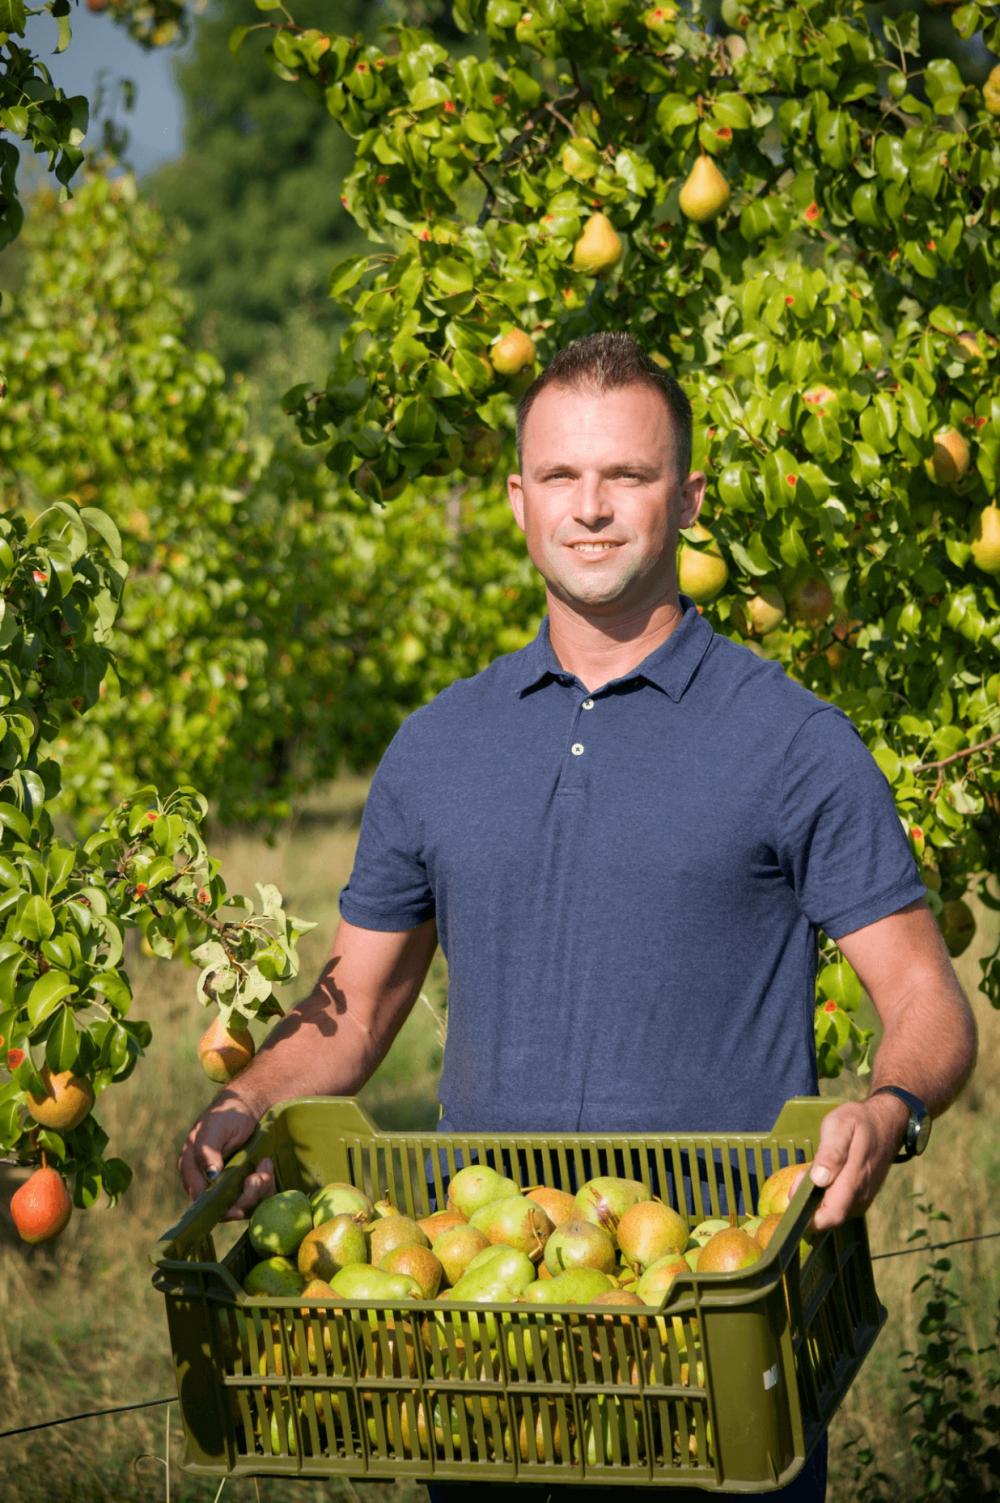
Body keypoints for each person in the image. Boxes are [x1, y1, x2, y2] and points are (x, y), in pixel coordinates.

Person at [179, 333, 977, 1503]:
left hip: (718, 1333)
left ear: (688, 497)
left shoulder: (791, 740)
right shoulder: (438, 747)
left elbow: (925, 1001)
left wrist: (887, 1107)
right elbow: (351, 1018)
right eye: (561, 477)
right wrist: (247, 1101)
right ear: (517, 500)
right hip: (485, 1345)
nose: (591, 508)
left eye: (628, 476)